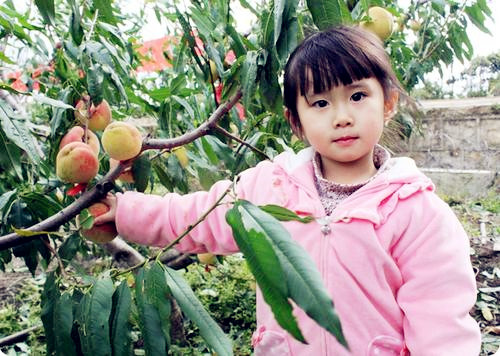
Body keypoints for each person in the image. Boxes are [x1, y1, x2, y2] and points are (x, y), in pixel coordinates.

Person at [95, 25, 480, 355]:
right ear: (295, 122)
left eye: (358, 96)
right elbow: (199, 217)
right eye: (321, 102)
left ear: (389, 101)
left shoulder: (416, 212)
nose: (342, 116)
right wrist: (126, 212)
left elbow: (440, 320)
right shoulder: (272, 186)